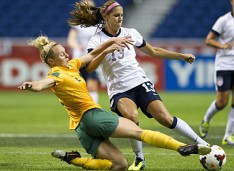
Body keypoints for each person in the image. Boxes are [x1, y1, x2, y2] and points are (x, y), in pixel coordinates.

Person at [18, 35, 211, 170]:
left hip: (81, 128)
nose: (67, 55)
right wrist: (32, 85)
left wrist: (109, 45)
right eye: (61, 54)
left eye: (65, 52)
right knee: (138, 132)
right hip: (92, 117)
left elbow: (91, 56)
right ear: (51, 61)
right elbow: (43, 83)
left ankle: (73, 159)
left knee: (119, 165)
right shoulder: (57, 74)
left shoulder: (72, 66)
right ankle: (180, 147)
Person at [68, 1, 210, 170]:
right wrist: (107, 49)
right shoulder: (97, 40)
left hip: (140, 81)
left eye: (121, 15)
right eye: (116, 15)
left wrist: (181, 56)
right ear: (105, 16)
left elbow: (154, 51)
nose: (120, 19)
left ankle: (203, 145)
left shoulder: (131, 33)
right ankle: (139, 159)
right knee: (132, 118)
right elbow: (90, 67)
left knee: (165, 118)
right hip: (119, 89)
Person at [198, 0, 234, 145]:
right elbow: (208, 40)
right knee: (222, 102)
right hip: (224, 65)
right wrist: (222, 45)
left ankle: (228, 136)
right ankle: (206, 120)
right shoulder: (223, 20)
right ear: (231, 2)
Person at [67, 0, 101, 103]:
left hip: (93, 58)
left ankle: (94, 108)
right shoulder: (77, 25)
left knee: (92, 85)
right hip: (80, 59)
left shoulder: (99, 25)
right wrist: (77, 46)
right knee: (80, 87)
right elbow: (70, 41)